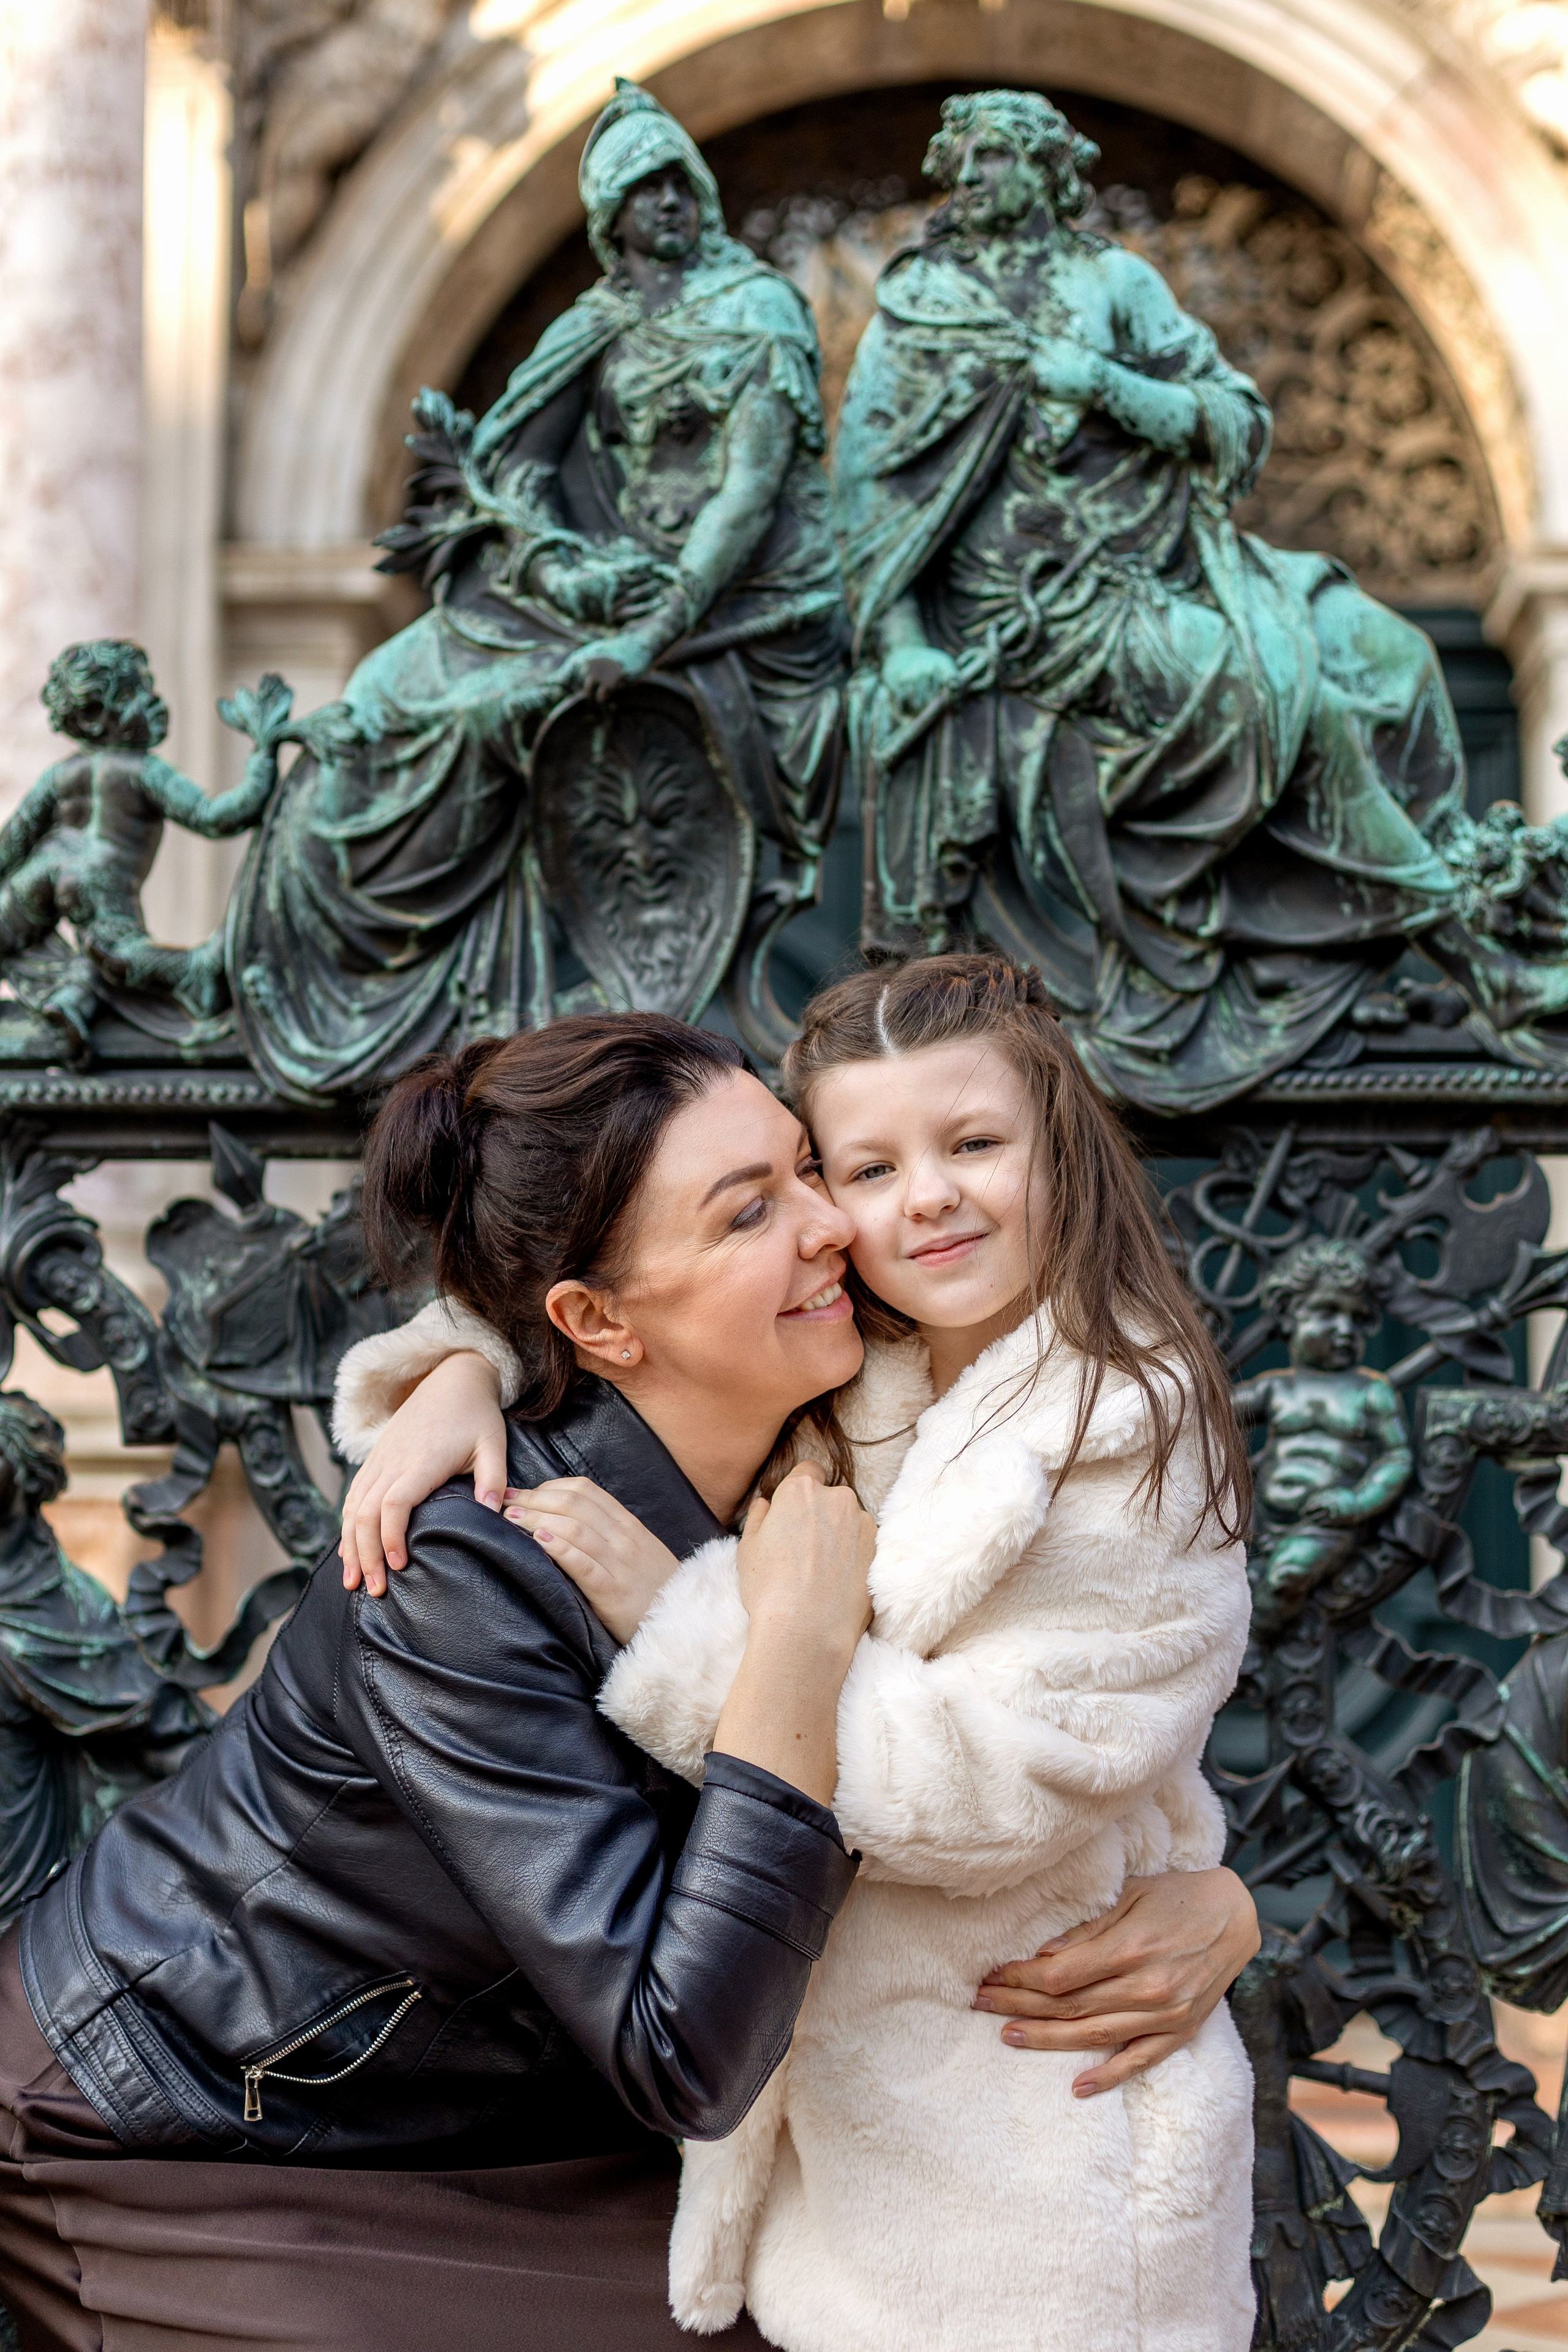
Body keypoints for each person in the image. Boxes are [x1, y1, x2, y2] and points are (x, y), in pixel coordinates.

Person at [334, 954, 1264, 2349]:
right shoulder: (862, 1349)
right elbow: (612, 1277)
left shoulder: (1126, 1433)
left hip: (1038, 2124)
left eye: (973, 1145)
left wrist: (684, 1617)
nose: (923, 1198)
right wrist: (456, 1371)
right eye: (867, 1168)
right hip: (838, 2125)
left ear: (1061, 1151)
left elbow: (990, 1792)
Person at [0, 1014, 876, 2351]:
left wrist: (1200, 1902)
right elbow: (683, 2053)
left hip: (478, 2112)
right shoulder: (457, 1573)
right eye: (749, 1211)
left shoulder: (856, 1422)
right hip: (167, 2112)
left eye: (809, 1168)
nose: (832, 1224)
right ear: (595, 1322)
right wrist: (792, 1653)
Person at [834, 89, 1566, 1112]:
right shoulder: (918, 311)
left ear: (1050, 170)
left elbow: (1232, 417)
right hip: (1037, 610)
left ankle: (1475, 897)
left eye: (1002, 154)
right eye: (969, 156)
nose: (977, 174)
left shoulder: (1115, 283)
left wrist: (1102, 383)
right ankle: (1473, 950)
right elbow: (871, 497)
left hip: (1171, 560)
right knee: (1279, 702)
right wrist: (905, 639)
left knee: (1388, 651)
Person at [228, 83, 846, 1100]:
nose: (666, 203)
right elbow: (521, 466)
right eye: (641, 189)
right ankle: (353, 975)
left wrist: (650, 628)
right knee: (390, 689)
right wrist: (555, 560)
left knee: (504, 705)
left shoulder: (759, 309)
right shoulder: (595, 323)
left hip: (743, 599)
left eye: (678, 183)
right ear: (609, 217)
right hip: (604, 591)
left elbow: (749, 492)